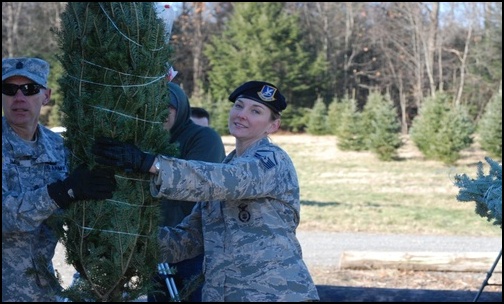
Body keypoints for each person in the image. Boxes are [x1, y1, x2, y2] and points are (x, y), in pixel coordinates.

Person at [92, 80, 320, 302]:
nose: (242, 114)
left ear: (273, 125)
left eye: (256, 111)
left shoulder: (271, 161)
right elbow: (187, 239)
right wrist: (124, 237)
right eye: (239, 106)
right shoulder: (225, 169)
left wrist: (151, 164)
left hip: (277, 294)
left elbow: (226, 181)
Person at [2, 57, 117, 302]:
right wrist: (60, 193)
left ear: (46, 96)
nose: (19, 98)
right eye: (9, 90)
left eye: (30, 89)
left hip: (42, 291)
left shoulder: (58, 149)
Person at [148, 82, 226, 302]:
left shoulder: (203, 137)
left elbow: (196, 185)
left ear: (180, 107)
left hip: (194, 247)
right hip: (159, 244)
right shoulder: (149, 140)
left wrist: (148, 166)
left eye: (167, 107)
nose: (160, 113)